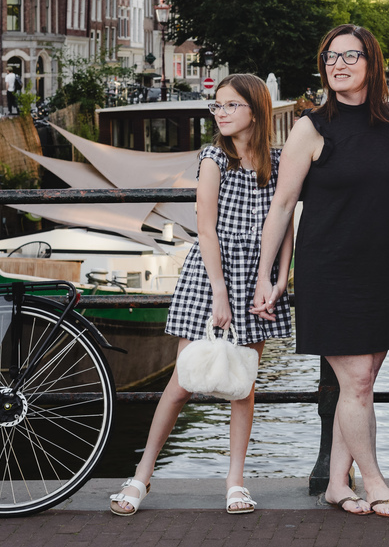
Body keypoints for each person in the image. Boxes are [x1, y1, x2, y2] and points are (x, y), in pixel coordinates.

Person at [109, 74, 292, 517]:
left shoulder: (278, 160)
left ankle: (234, 482)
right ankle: (141, 476)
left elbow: (285, 224)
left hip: (259, 276)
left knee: (242, 384)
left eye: (230, 105)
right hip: (212, 275)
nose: (221, 113)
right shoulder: (214, 157)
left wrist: (281, 277)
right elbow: (206, 229)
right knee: (181, 382)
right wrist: (220, 295)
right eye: (217, 106)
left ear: (256, 109)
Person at [252, 24, 389, 518]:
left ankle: (337, 484)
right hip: (331, 269)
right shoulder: (309, 127)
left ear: (372, 62)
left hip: (384, 265)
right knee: (359, 382)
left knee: (357, 385)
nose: (338, 64)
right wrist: (269, 276)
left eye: (350, 55)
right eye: (330, 57)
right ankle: (377, 482)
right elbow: (281, 207)